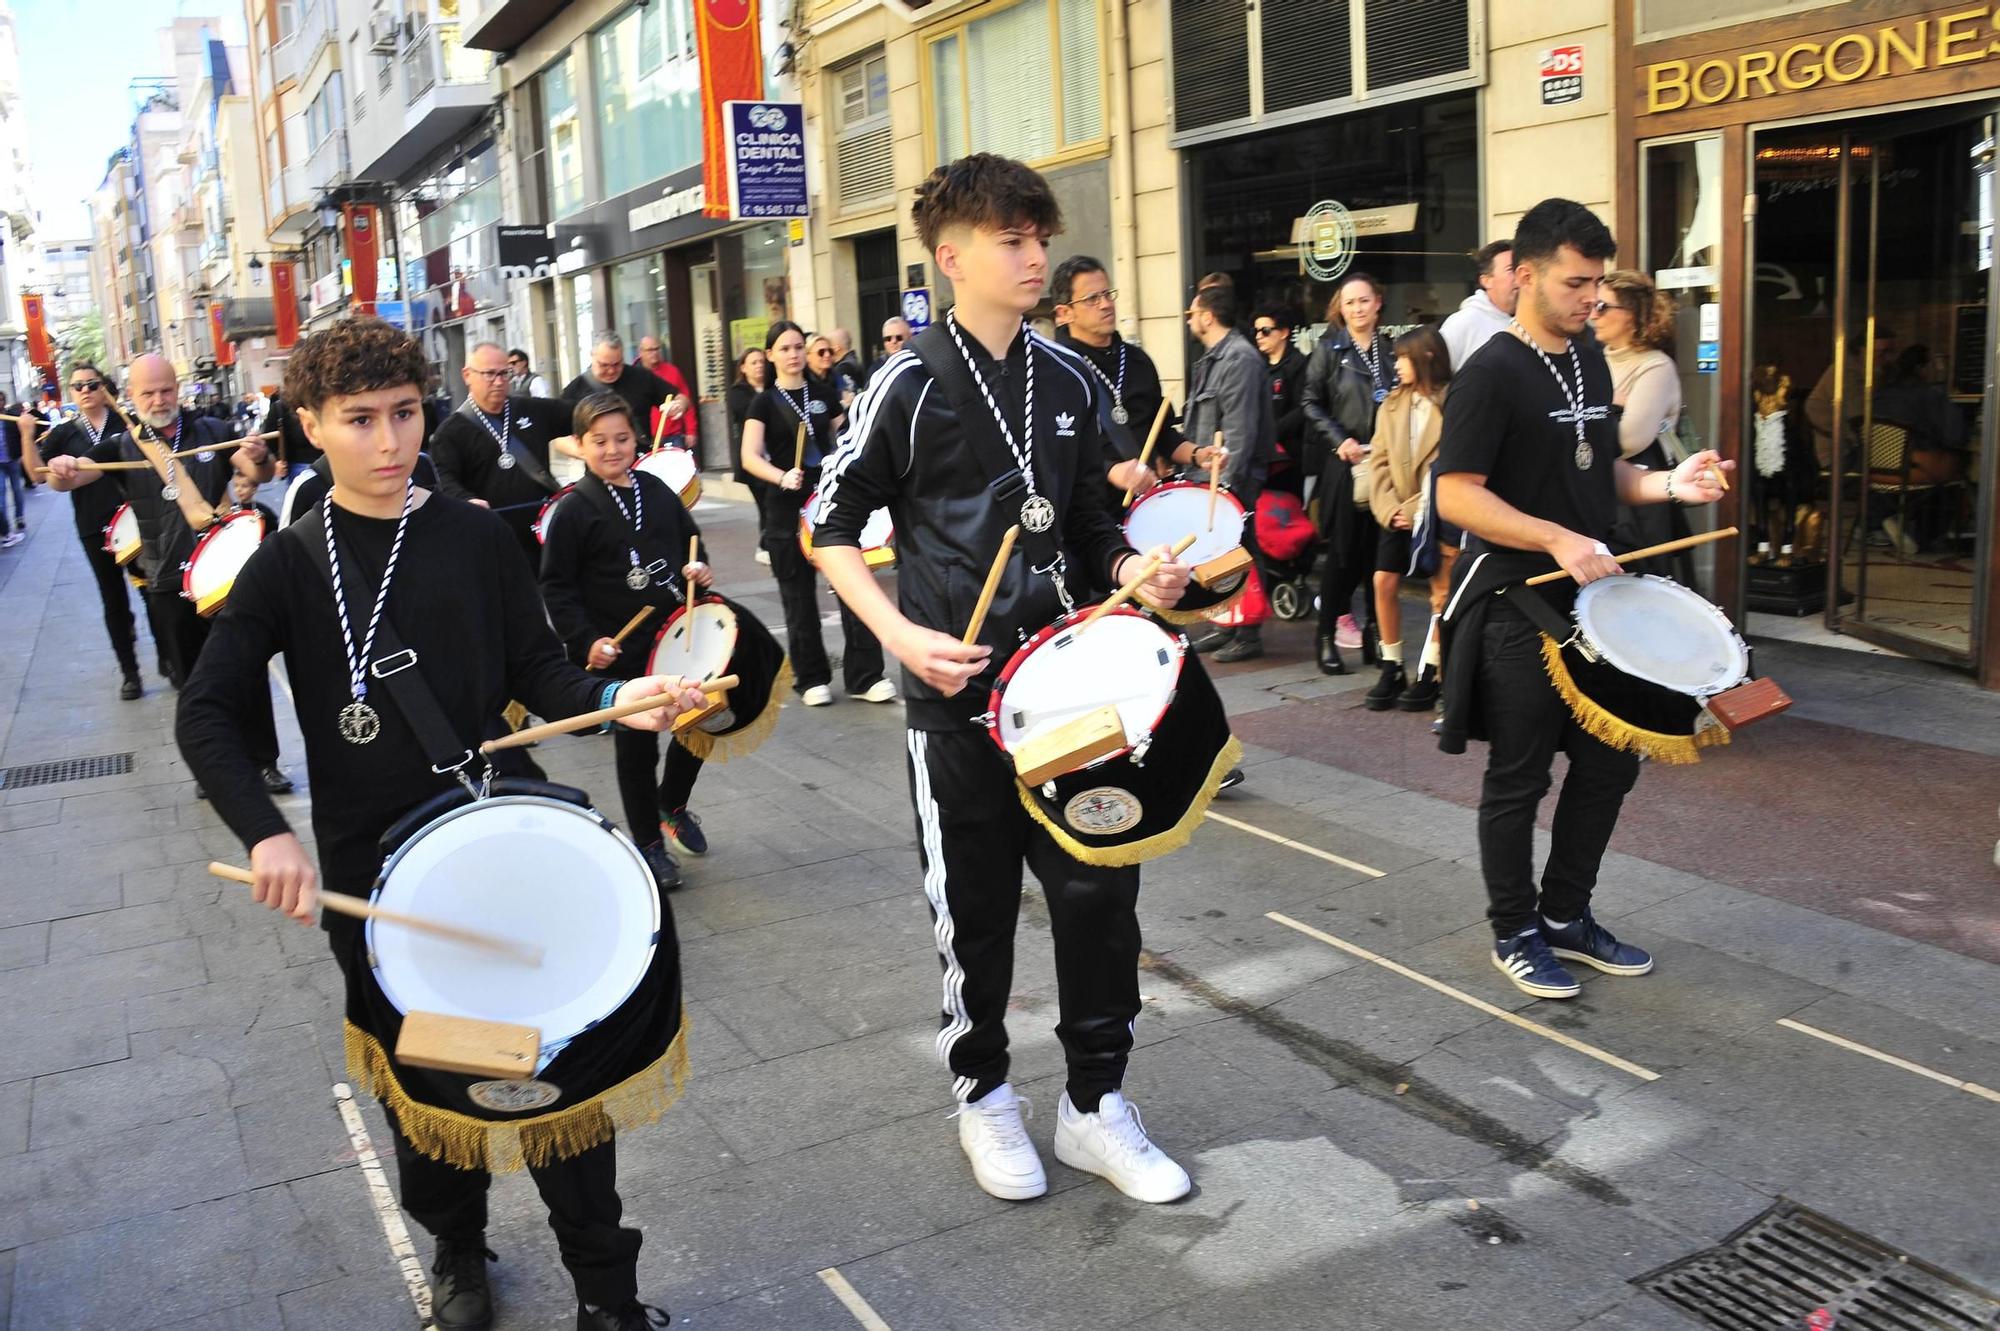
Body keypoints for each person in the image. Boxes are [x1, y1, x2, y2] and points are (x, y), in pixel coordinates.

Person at [175, 317, 704, 1331]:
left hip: (502, 838)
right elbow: (204, 710)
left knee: (566, 1069)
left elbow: (536, 673)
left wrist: (622, 693)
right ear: (311, 426)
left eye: (406, 414)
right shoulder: (289, 563)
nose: (389, 440)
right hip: (376, 874)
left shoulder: (473, 533)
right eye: (360, 420)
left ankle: (607, 1289)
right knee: (424, 1083)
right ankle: (458, 1242)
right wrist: (265, 830)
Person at [811, 152, 1196, 1208]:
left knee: (1097, 894)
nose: (1033, 256)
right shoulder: (904, 383)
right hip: (955, 696)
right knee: (972, 910)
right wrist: (899, 634)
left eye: (1038, 238)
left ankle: (1093, 1104)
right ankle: (982, 1091)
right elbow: (828, 529)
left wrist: (1134, 569)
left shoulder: (1072, 378)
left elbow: (1083, 526)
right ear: (951, 257)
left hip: (1069, 686)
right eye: (1010, 241)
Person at [1434, 198, 1731, 1002]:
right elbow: (1455, 496)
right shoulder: (1490, 371)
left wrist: (1673, 481)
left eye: (1598, 285)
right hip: (1516, 602)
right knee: (1520, 777)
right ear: (1526, 275)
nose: (1591, 300)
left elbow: (1602, 474)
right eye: (1576, 283)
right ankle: (1514, 928)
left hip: (1598, 601)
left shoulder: (1589, 361)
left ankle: (1566, 914)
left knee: (1609, 767)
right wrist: (1554, 537)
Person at [44, 354, 292, 792]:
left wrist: (258, 455)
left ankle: (264, 761)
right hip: (164, 580)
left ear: (176, 388)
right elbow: (67, 481)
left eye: (166, 390)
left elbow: (260, 471)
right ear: (131, 396)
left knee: (249, 669)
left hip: (223, 574)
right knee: (194, 682)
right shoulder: (122, 445)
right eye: (148, 393)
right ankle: (213, 768)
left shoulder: (212, 431)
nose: (159, 400)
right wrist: (63, 470)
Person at [541, 390, 717, 891]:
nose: (613, 449)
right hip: (619, 648)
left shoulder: (658, 492)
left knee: (703, 719)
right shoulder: (573, 511)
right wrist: (586, 639)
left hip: (674, 635)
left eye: (622, 438)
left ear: (637, 437)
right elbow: (556, 586)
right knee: (637, 746)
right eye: (599, 441)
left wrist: (698, 567)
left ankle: (673, 804)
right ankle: (648, 844)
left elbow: (692, 541)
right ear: (579, 445)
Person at [737, 321, 892, 707]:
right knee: (798, 595)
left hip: (830, 502)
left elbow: (847, 437)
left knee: (851, 584)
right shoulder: (763, 403)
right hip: (784, 507)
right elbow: (749, 456)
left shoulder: (822, 393)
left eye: (797, 347)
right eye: (784, 349)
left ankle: (865, 675)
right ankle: (810, 678)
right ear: (770, 355)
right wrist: (780, 475)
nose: (792, 354)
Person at [18, 364, 147, 696]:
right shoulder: (63, 432)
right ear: (71, 392)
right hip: (93, 524)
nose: (86, 391)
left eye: (93, 384)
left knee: (152, 591)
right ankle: (130, 672)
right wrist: (25, 434)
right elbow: (36, 475)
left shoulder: (127, 423)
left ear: (105, 387)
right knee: (113, 598)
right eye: (79, 387)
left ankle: (170, 656)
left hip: (137, 521)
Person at [1179, 283, 1275, 664]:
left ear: (1207, 315)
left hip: (1231, 479)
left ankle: (1248, 632)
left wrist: (1228, 486)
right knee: (1220, 554)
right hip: (1209, 476)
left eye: (1192, 313)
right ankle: (1227, 625)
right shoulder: (1213, 357)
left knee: (1241, 550)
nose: (1189, 319)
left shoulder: (1238, 359)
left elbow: (1239, 431)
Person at [1302, 273, 1393, 676]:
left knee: (1380, 554)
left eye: (1364, 300)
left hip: (1386, 463)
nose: (1357, 309)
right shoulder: (1329, 349)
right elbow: (1309, 402)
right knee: (1342, 556)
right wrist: (1338, 439)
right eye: (1349, 302)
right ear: (1340, 307)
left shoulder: (1390, 349)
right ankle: (1326, 636)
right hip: (1345, 464)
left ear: (1377, 303)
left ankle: (1377, 632)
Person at [1363, 326, 1455, 712]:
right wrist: (1389, 510)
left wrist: (1416, 507)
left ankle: (1432, 671)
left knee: (1441, 591)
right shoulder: (1391, 405)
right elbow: (1378, 461)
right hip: (1395, 513)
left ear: (1427, 357)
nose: (1396, 365)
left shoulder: (1454, 402)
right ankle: (1391, 664)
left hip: (1439, 511)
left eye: (1403, 357)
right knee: (1383, 580)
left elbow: (1451, 464)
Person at [1051, 255, 1181, 516]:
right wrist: (1110, 469)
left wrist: (1200, 454)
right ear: (1064, 313)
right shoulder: (1054, 369)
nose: (1106, 305)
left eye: (1108, 294)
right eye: (1092, 299)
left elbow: (1163, 433)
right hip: (1088, 517)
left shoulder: (1138, 361)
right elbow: (1054, 452)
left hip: (1149, 507)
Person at [432, 342, 580, 569]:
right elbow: (444, 480)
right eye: (490, 374)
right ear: (467, 375)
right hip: (494, 540)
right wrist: (466, 500)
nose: (499, 382)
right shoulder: (450, 433)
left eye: (504, 373)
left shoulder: (532, 409)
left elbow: (581, 415)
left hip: (545, 533)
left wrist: (608, 414)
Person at [1592, 270, 1694, 569]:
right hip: (1600, 497)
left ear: (1631, 314)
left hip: (1639, 506)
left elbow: (1630, 440)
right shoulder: (1591, 361)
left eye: (1603, 306)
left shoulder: (1655, 367)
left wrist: (1602, 411)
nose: (1593, 314)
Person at [1438, 240, 1518, 374]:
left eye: (1520, 269)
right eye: (1510, 270)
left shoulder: (1534, 324)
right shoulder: (1463, 323)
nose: (1519, 276)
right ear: (1486, 281)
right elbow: (1434, 378)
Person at [564, 333, 669, 434]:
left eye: (617, 364)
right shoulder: (575, 389)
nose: (611, 371)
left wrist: (677, 405)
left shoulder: (641, 376)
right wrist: (581, 451)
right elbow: (558, 436)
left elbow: (678, 398)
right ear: (592, 356)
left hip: (640, 450)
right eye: (604, 365)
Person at [1256, 306, 1310, 496]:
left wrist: (1272, 432)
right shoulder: (1256, 365)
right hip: (1261, 455)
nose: (1259, 336)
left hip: (1289, 456)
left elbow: (1303, 407)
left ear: (1284, 333)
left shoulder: (1298, 364)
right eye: (1256, 331)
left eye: (1265, 331)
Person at [633, 335, 697, 458]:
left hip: (672, 435)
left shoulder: (672, 371)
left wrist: (691, 431)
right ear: (641, 352)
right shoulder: (634, 375)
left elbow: (686, 400)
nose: (654, 353)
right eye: (650, 350)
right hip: (645, 438)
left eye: (657, 349)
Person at [0, 401, 27, 545]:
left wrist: (22, 454)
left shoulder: (11, 417)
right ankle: (5, 528)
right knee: (1, 494)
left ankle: (19, 517)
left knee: (17, 490)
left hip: (12, 459)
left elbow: (20, 435)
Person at [866, 318, 912, 384]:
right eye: (888, 338)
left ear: (910, 337)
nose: (893, 341)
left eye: (899, 338)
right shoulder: (876, 369)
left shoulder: (921, 362)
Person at [828, 327, 865, 403]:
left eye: (828, 346)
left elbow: (845, 398)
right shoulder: (854, 361)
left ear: (836, 348)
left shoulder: (843, 368)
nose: (826, 352)